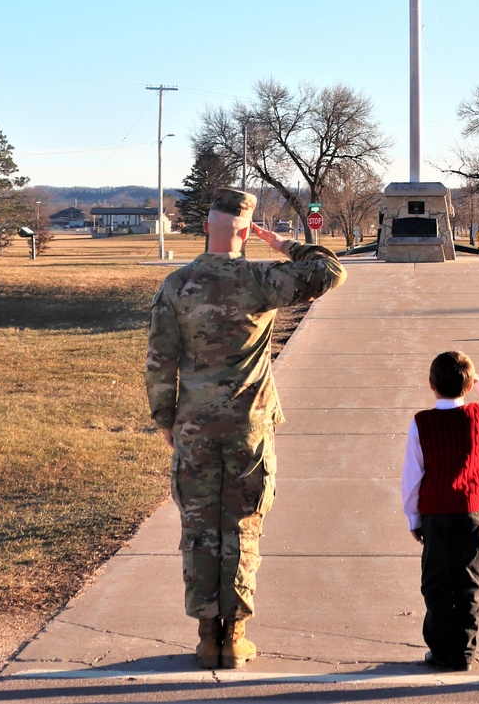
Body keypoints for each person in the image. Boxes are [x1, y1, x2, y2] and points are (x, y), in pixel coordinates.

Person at [145, 188, 346, 670]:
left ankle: (205, 636)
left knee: (198, 527)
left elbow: (159, 361)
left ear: (205, 228)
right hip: (250, 426)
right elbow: (330, 270)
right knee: (242, 525)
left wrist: (166, 418)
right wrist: (284, 245)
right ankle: (234, 637)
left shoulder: (177, 285)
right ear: (245, 231)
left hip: (194, 423)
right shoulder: (262, 279)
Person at [401, 349, 479, 672]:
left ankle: (440, 649)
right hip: (468, 513)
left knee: (435, 582)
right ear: (467, 386)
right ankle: (464, 651)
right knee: (468, 581)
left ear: (431, 385)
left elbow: (412, 476)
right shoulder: (478, 417)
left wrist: (413, 517)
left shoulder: (422, 423)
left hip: (434, 514)